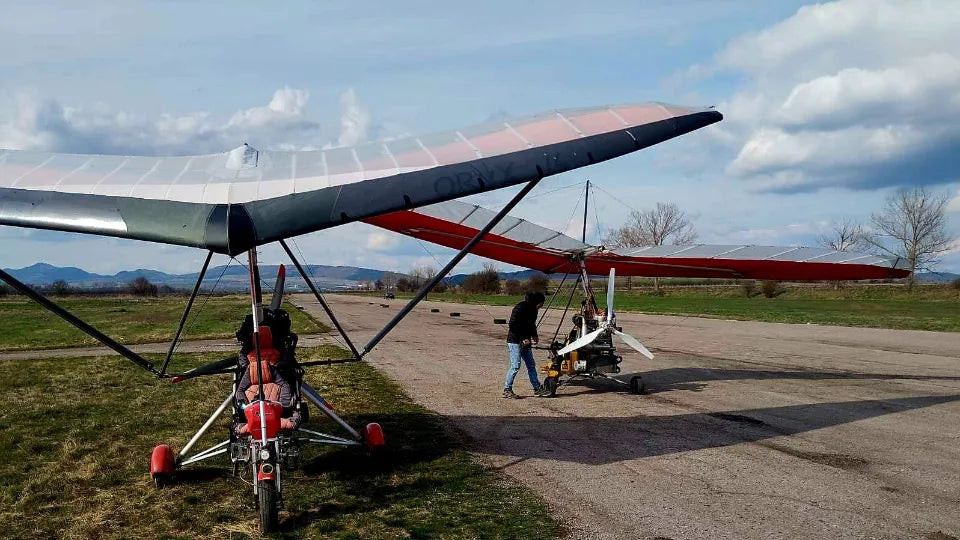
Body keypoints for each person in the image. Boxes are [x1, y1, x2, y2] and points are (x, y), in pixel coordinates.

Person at [503, 291, 546, 398]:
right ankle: (507, 389)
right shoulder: (520, 307)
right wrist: (522, 338)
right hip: (515, 341)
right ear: (537, 302)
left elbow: (531, 325)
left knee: (531, 365)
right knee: (515, 365)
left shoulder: (534, 310)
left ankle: (537, 388)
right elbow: (513, 325)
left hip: (525, 341)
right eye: (541, 303)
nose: (542, 306)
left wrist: (534, 335)